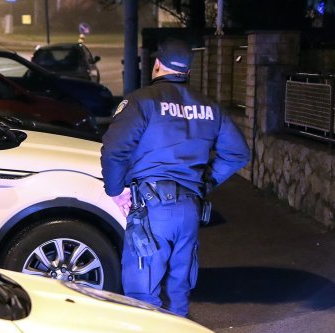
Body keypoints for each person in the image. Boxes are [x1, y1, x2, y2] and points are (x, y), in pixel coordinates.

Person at [101, 38, 250, 317]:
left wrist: (115, 191)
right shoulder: (210, 107)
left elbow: (114, 150)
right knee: (178, 291)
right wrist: (205, 183)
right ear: (188, 71)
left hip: (152, 210)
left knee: (142, 295)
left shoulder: (141, 102)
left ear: (157, 64)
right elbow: (238, 153)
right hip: (190, 210)